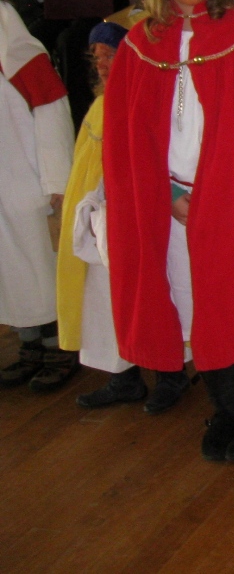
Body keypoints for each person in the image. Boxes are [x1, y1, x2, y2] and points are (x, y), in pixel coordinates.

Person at [104, 0, 234, 457]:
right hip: (167, 196)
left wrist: (215, 192)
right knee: (194, 301)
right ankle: (224, 409)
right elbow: (127, 134)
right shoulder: (140, 42)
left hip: (231, 195)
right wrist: (167, 194)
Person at [55, 22, 149, 408]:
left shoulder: (139, 98)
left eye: (110, 54)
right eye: (96, 56)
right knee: (102, 300)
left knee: (145, 295)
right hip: (97, 217)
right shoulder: (99, 103)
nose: (102, 63)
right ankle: (122, 376)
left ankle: (169, 375)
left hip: (128, 215)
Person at [0, 0, 75, 392]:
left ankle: (58, 347)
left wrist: (56, 182)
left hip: (29, 183)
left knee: (41, 267)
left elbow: (52, 116)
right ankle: (29, 344)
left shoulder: (24, 59)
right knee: (11, 270)